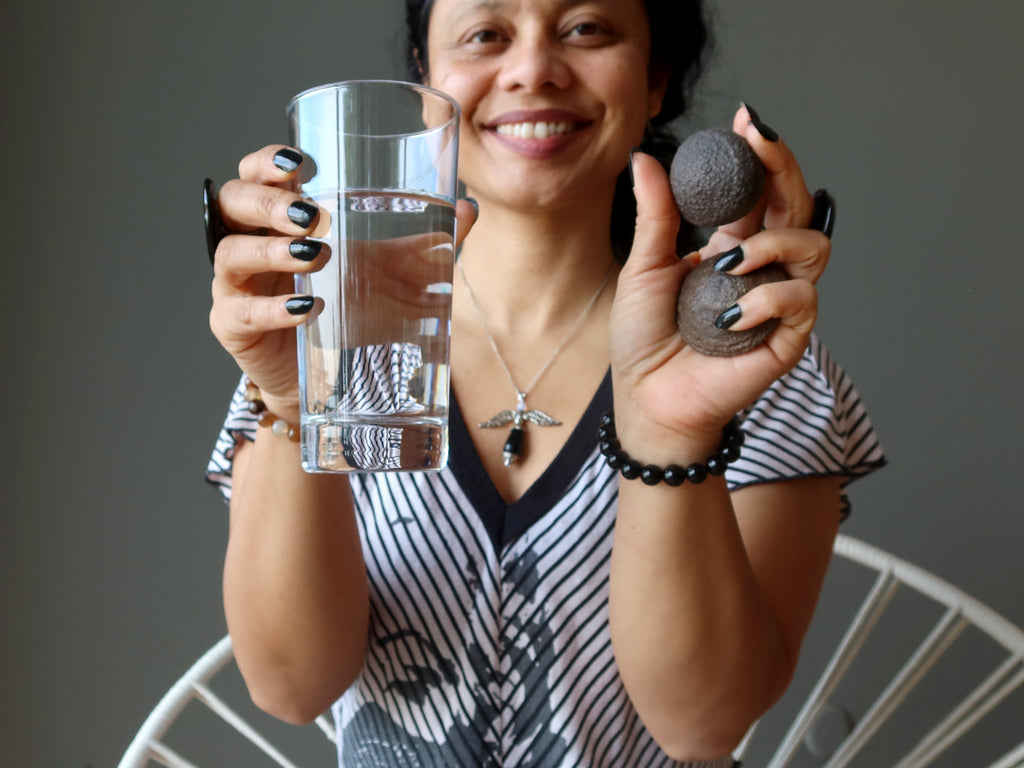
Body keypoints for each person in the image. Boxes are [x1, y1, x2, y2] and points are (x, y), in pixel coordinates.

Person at [205, 0, 885, 765]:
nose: (532, 70)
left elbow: (704, 728)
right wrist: (296, 404)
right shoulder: (322, 344)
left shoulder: (752, 368)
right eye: (485, 34)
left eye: (587, 28)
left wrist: (673, 433)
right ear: (427, 83)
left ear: (655, 79)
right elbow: (292, 687)